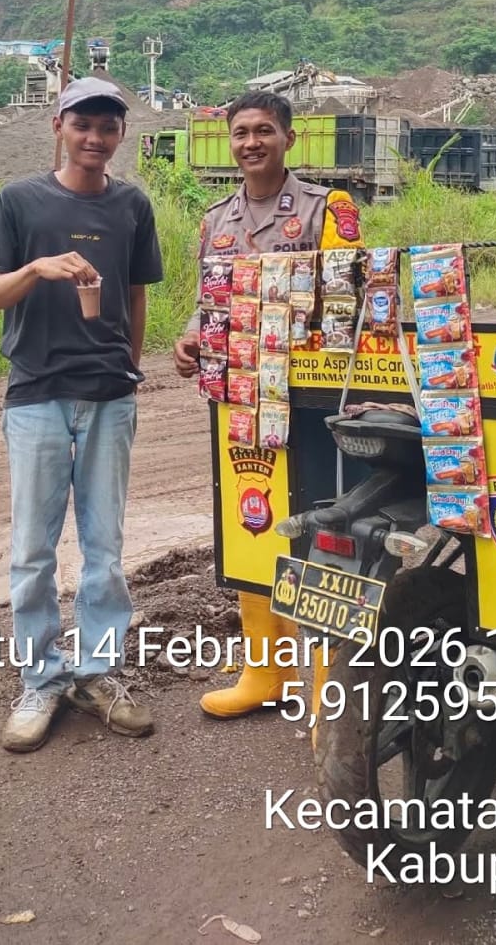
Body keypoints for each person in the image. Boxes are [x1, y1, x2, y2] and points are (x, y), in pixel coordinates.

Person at [0, 76, 164, 752]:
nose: (95, 138)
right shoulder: (19, 201)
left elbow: (135, 296)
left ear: (120, 135)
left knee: (105, 548)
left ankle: (98, 674)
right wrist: (38, 269)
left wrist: (130, 369)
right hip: (36, 394)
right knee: (33, 549)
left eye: (108, 127)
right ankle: (41, 680)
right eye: (83, 124)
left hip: (110, 396)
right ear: (58, 125)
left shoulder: (132, 205)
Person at [173, 89, 361, 718]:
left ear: (289, 138)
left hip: (310, 398)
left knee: (319, 528)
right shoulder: (215, 220)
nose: (251, 143)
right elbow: (209, 303)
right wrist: (194, 339)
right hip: (240, 398)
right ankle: (266, 672)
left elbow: (349, 302)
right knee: (250, 521)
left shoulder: (326, 208)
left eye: (263, 131)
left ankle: (328, 687)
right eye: (241, 133)